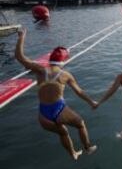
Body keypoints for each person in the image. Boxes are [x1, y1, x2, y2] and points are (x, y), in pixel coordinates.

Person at [15, 28, 97, 160]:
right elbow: (79, 92)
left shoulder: (40, 70)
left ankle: (73, 154)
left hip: (43, 115)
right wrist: (91, 102)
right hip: (59, 109)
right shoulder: (65, 75)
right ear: (63, 61)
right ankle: (87, 148)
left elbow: (20, 57)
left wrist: (21, 37)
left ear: (50, 59)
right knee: (81, 123)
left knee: (63, 132)